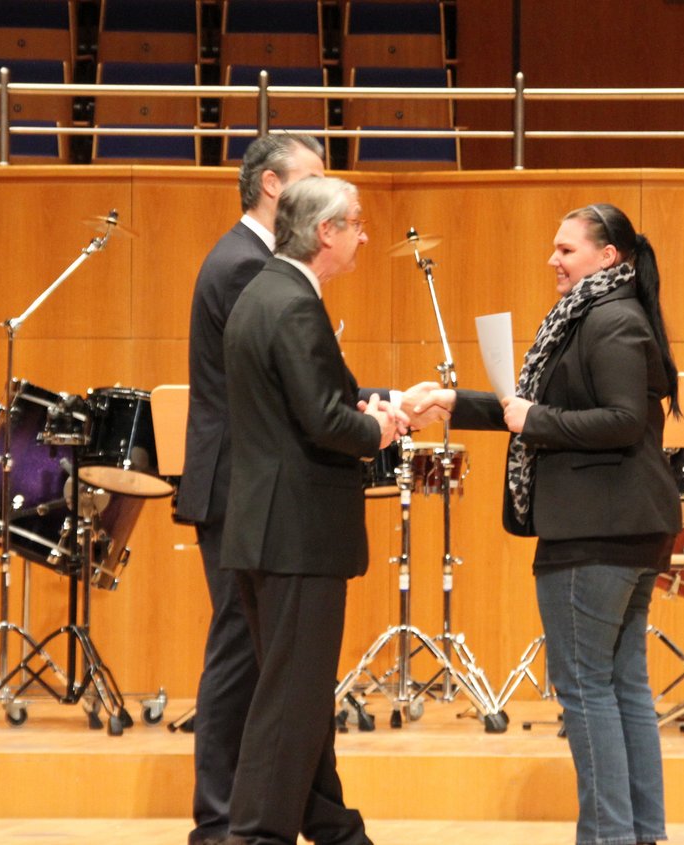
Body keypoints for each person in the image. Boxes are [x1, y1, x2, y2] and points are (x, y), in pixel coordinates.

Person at [404, 203, 681, 845]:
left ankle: (610, 837)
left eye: (566, 249)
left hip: (598, 530)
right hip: (619, 526)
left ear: (607, 257)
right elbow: (528, 409)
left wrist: (537, 420)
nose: (552, 259)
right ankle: (640, 835)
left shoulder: (611, 319)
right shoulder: (596, 314)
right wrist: (451, 401)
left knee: (586, 689)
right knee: (622, 687)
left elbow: (619, 421)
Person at [221, 176, 404, 845]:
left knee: (299, 699)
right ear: (326, 231)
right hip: (296, 533)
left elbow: (299, 405)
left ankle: (335, 830)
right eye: (356, 222)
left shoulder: (265, 292)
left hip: (267, 527)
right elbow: (325, 420)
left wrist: (377, 409)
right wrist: (380, 429)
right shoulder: (294, 303)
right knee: (290, 704)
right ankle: (255, 836)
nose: (364, 235)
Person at [176, 133, 325, 845]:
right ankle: (218, 820)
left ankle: (255, 813)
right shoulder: (245, 266)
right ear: (272, 185)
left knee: (252, 652)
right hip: (240, 484)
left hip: (243, 482)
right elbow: (277, 388)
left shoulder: (249, 259)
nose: (321, 191)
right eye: (311, 178)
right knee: (240, 653)